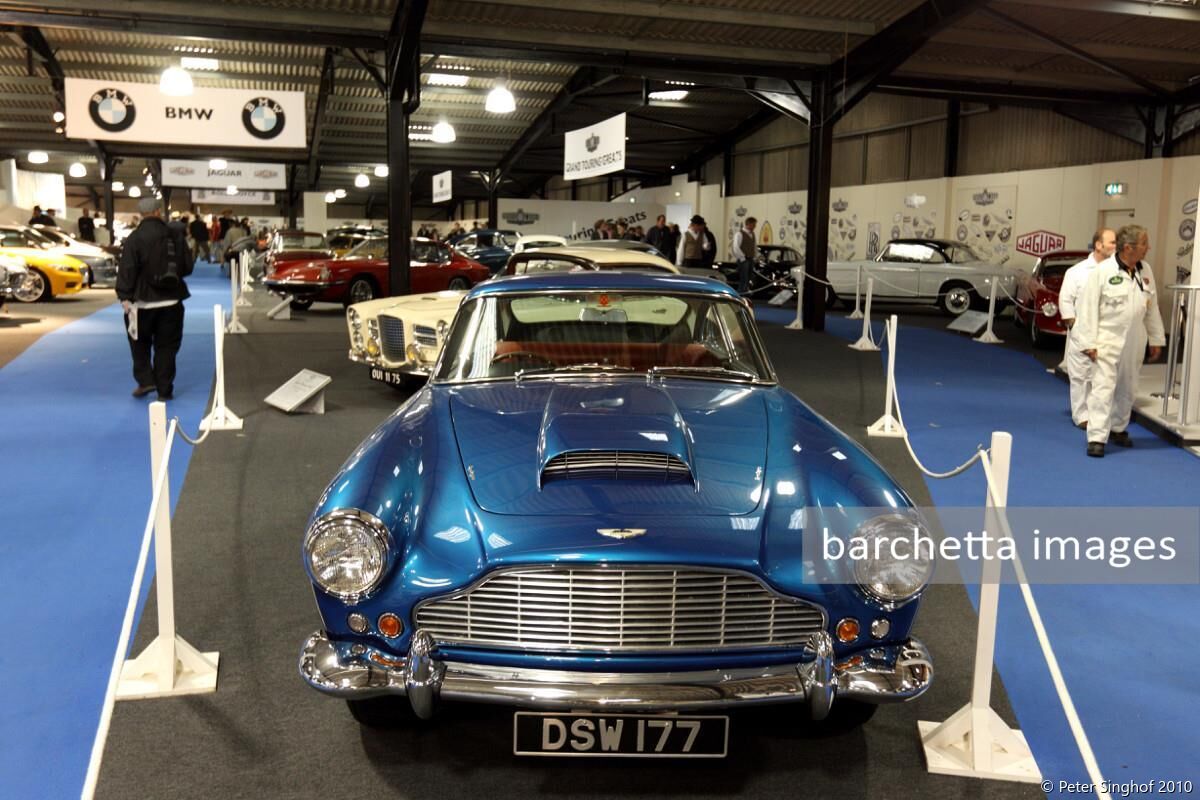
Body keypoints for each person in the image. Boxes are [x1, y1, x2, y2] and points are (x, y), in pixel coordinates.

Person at [1073, 224, 1165, 457]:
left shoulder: (1146, 272)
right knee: (1102, 389)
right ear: (1128, 247)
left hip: (1135, 340)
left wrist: (1156, 339)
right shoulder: (1103, 272)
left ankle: (1118, 428)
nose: (1148, 248)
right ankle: (1096, 437)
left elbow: (1151, 308)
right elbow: (1087, 309)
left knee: (1128, 387)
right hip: (1106, 340)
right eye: (1144, 243)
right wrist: (1089, 342)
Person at [116, 197, 193, 401]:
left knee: (139, 344)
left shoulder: (135, 238)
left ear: (141, 214)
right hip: (171, 302)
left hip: (141, 303)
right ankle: (165, 390)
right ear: (159, 212)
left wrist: (124, 295)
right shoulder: (175, 234)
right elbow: (187, 267)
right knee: (166, 347)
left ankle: (145, 381)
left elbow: (127, 269)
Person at [1059, 228, 1115, 429]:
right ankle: (1081, 415)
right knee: (1080, 376)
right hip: (1082, 332)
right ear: (1099, 245)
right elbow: (1065, 300)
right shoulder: (1077, 272)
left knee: (1102, 377)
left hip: (1107, 333)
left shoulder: (1117, 271)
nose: (1115, 246)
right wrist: (1073, 325)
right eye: (1112, 242)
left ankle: (1098, 414)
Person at [732, 216, 759, 293]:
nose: (755, 227)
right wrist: (742, 258)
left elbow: (754, 246)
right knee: (743, 278)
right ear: (749, 224)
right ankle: (740, 293)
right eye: (754, 225)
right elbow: (736, 247)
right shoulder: (739, 234)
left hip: (750, 259)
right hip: (743, 260)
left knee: (748, 278)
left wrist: (755, 256)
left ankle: (745, 292)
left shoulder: (753, 234)